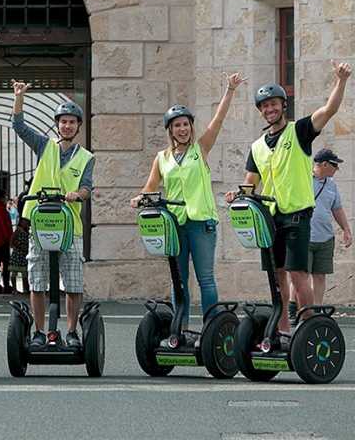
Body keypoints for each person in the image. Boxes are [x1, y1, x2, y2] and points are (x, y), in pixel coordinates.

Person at [226, 62, 352, 335]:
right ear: (260, 112)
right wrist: (237, 194)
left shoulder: (300, 131)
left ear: (284, 105)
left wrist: (340, 81)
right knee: (277, 278)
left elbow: (329, 110)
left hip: (296, 215)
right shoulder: (257, 147)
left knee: (298, 274)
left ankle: (308, 327)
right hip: (269, 218)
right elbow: (251, 182)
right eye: (264, 106)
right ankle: (282, 330)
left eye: (274, 104)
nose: (269, 109)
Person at [130, 73, 246, 332]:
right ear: (170, 130)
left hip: (201, 223)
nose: (182, 129)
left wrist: (229, 90)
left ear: (191, 127)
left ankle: (211, 331)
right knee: (178, 280)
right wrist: (140, 198)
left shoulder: (201, 149)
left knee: (205, 279)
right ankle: (178, 329)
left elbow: (218, 120)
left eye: (185, 124)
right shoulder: (162, 158)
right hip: (175, 224)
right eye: (176, 125)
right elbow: (150, 187)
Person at [11, 80, 94, 349]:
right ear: (57, 124)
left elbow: (87, 188)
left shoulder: (86, 157)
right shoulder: (44, 146)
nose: (67, 126)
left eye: (72, 122)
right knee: (37, 281)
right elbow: (19, 127)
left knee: (73, 283)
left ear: (78, 126)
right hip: (41, 222)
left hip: (71, 227)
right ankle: (38, 331)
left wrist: (77, 195)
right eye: (63, 122)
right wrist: (19, 97)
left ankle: (70, 331)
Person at [295, 149, 351, 309]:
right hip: (304, 237)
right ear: (325, 164)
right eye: (335, 165)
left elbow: (337, 209)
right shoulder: (303, 179)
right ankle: (299, 310)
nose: (337, 169)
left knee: (320, 276)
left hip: (325, 239)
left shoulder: (331, 185)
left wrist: (346, 229)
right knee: (301, 276)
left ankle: (317, 309)